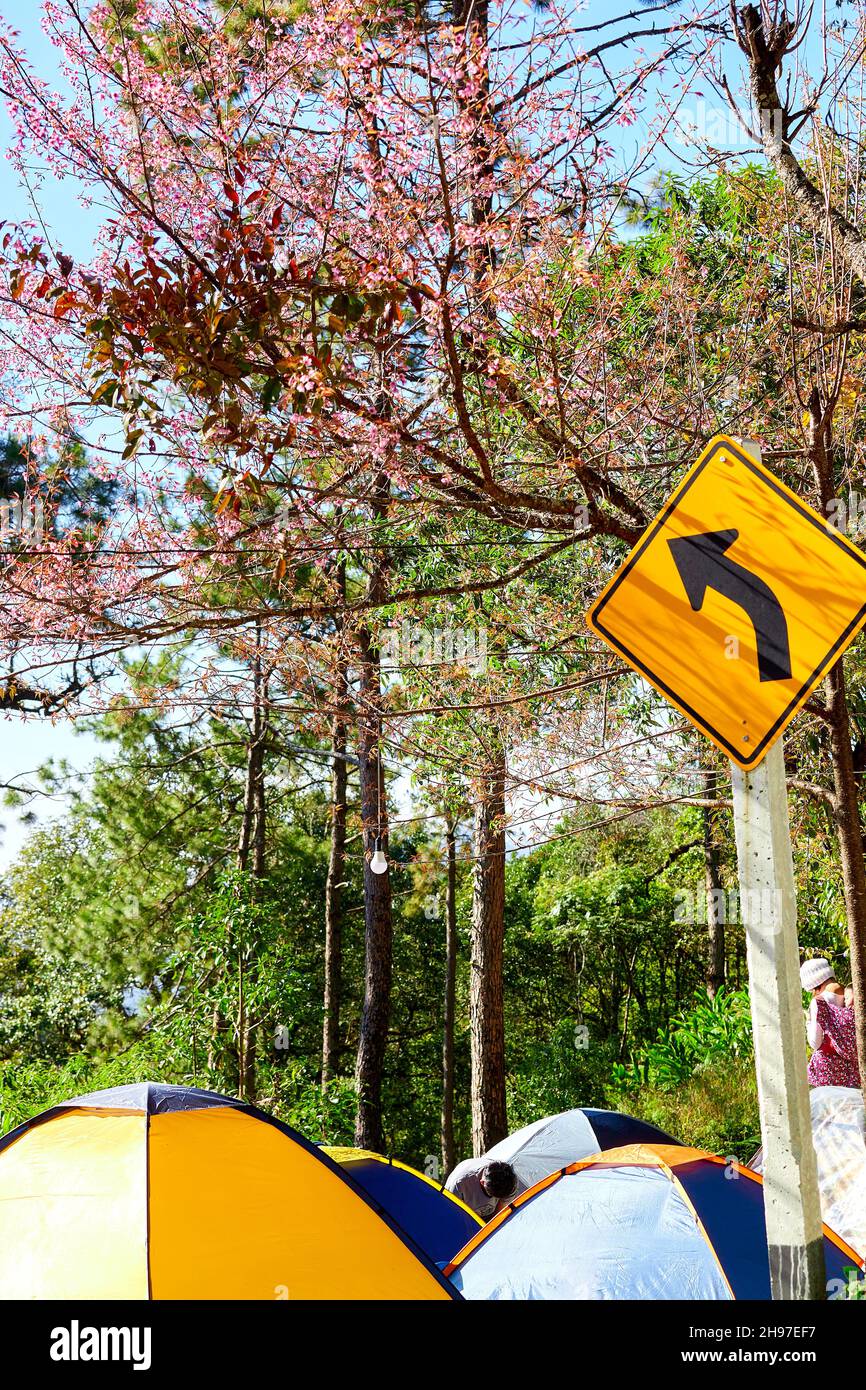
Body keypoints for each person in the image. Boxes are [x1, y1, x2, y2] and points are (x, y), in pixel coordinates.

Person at [800, 957, 860, 1090]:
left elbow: (815, 1042)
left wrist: (809, 1021)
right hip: (853, 1070)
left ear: (815, 985)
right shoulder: (851, 995)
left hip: (828, 1071)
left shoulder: (819, 1002)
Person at [444, 1157, 524, 1221]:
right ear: (482, 1182)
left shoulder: (509, 1180)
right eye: (492, 1195)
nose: (495, 1199)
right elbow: (453, 1217)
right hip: (463, 1216)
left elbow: (498, 1216)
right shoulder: (458, 1185)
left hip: (488, 1216)